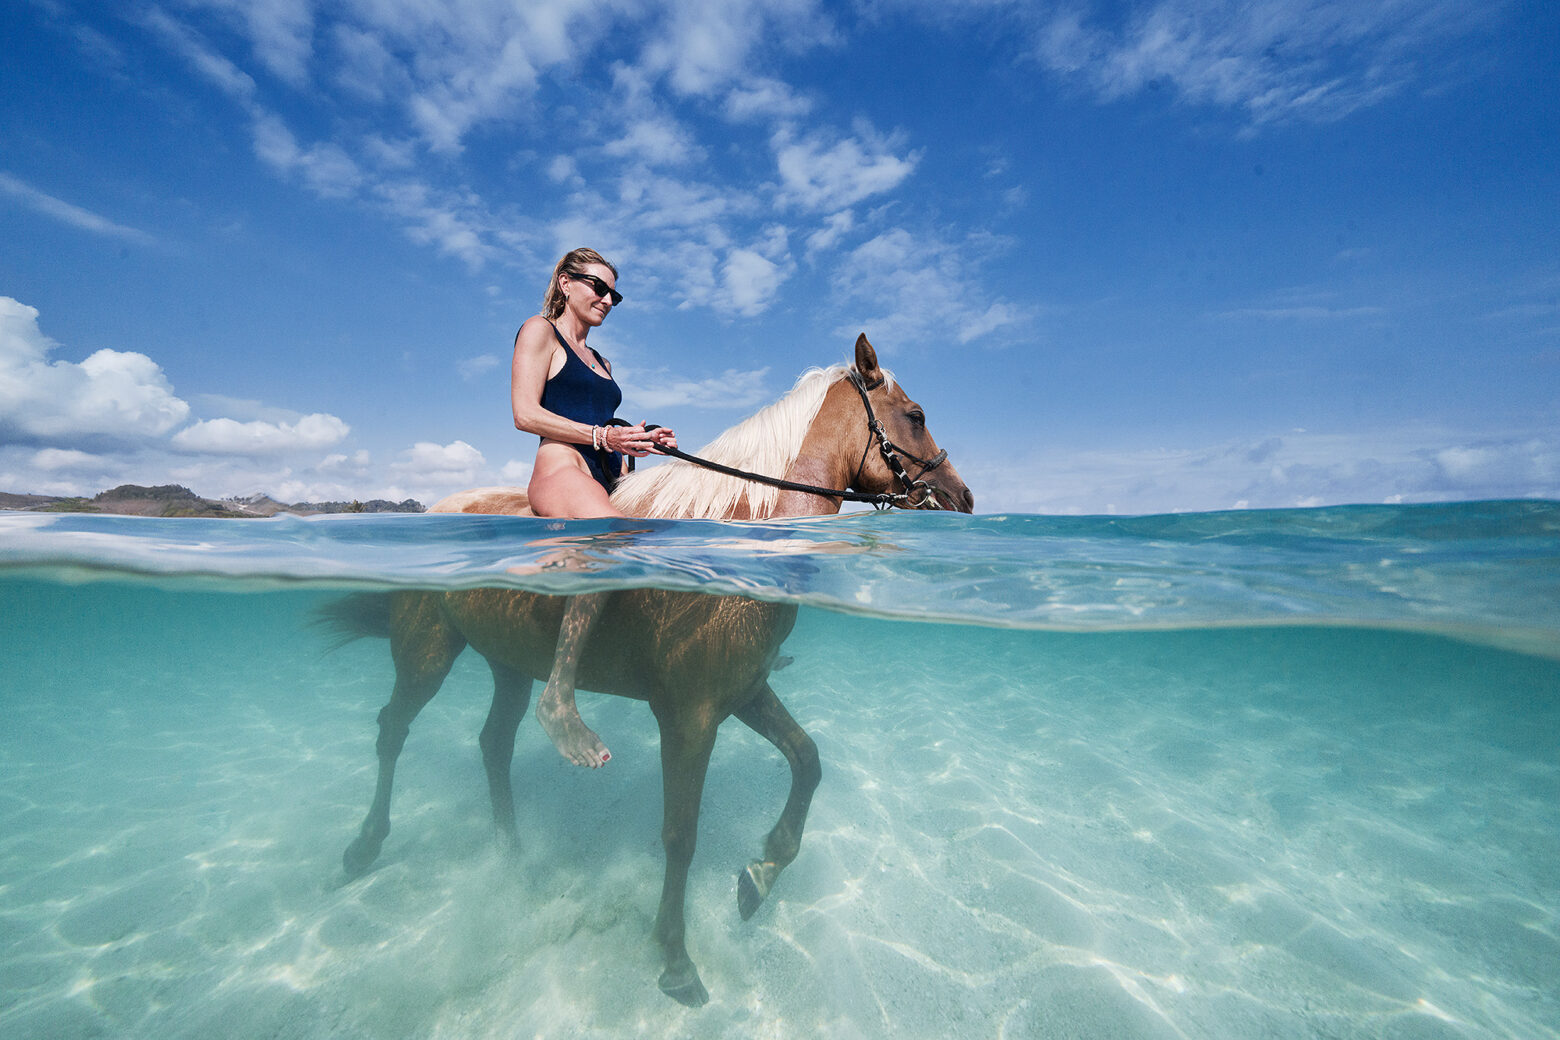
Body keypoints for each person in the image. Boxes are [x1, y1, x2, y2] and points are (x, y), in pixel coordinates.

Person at [511, 248, 676, 768]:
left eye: (614, 294)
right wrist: (603, 435)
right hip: (562, 467)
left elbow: (604, 422)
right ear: (565, 282)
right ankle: (557, 697)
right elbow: (524, 412)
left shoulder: (602, 362)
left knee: (667, 538)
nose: (608, 299)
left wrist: (642, 439)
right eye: (598, 287)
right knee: (609, 533)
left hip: (608, 474)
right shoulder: (539, 332)